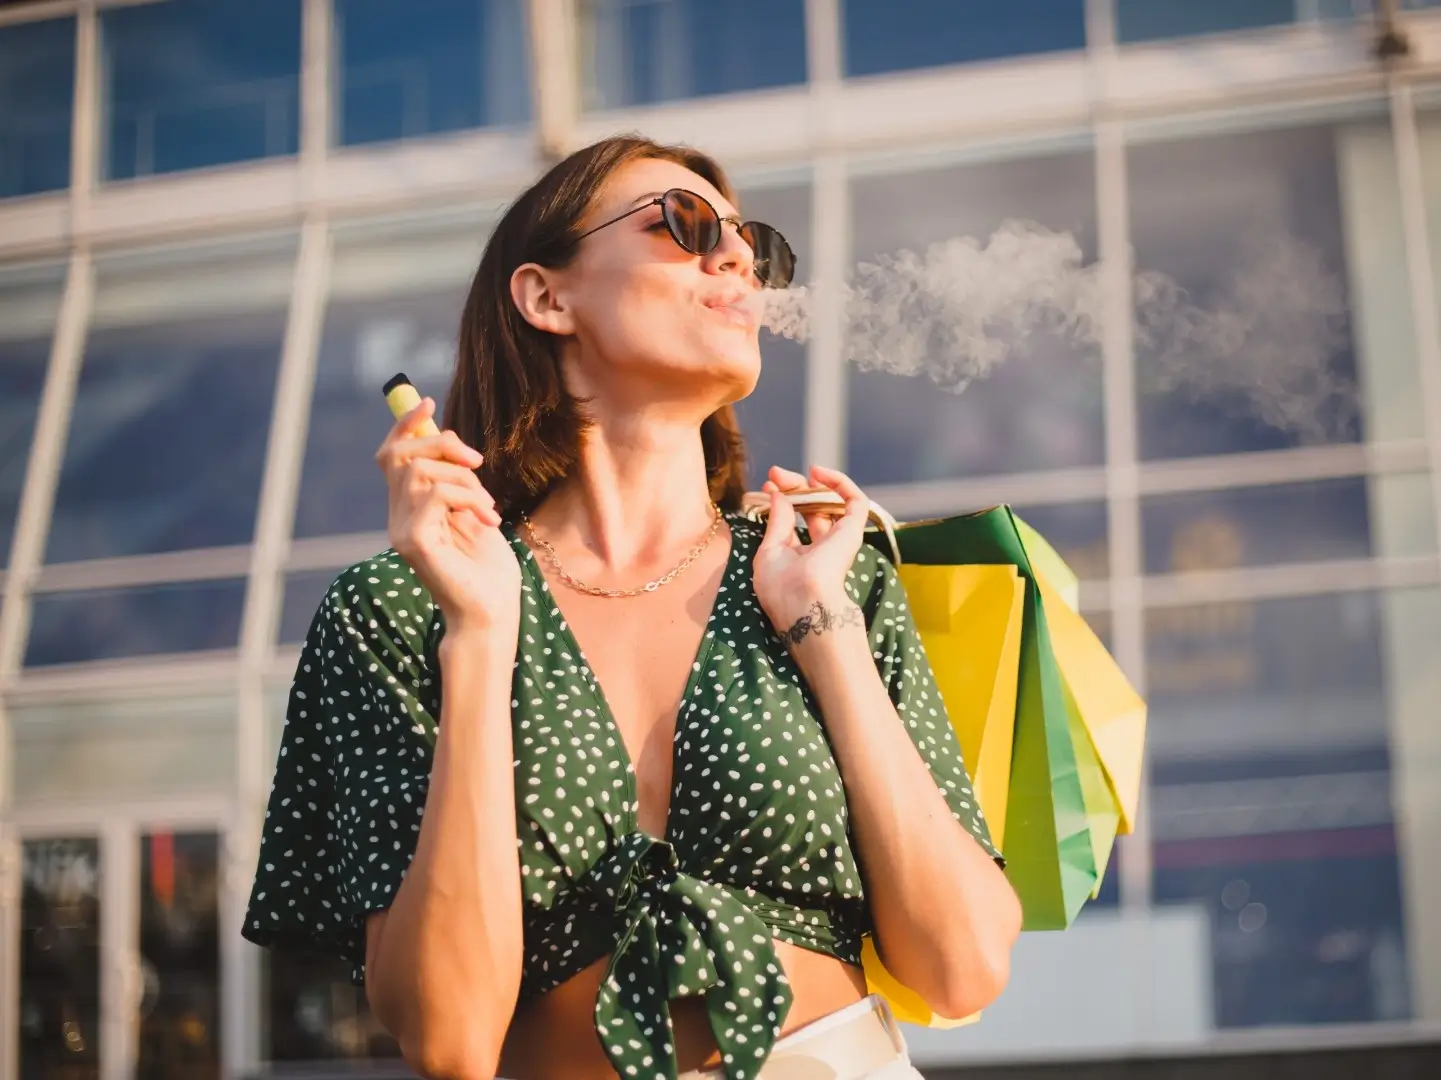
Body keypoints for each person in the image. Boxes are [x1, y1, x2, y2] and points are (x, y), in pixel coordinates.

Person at [243, 134, 1021, 1080]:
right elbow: (448, 1039)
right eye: (685, 224)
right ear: (546, 296)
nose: (735, 258)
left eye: (753, 245)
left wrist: (825, 628)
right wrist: (481, 632)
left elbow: (965, 968)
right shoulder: (402, 607)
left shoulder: (830, 576)